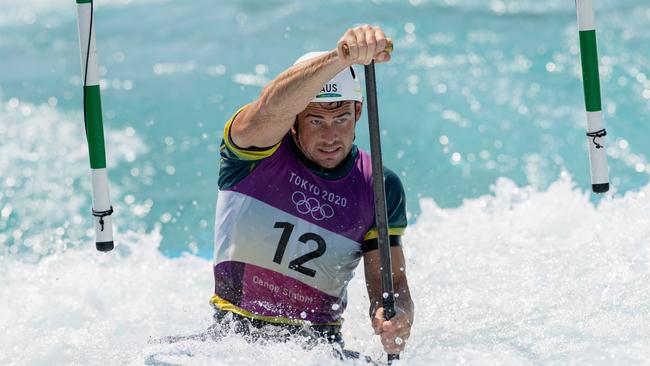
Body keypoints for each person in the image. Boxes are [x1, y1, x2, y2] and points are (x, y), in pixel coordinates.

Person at [210, 25, 414, 357]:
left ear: (358, 112)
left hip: (320, 351)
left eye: (341, 118)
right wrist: (341, 57)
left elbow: (391, 288)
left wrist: (398, 318)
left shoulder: (380, 185)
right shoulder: (252, 153)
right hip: (235, 342)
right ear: (293, 121)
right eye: (316, 121)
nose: (331, 136)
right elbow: (269, 108)